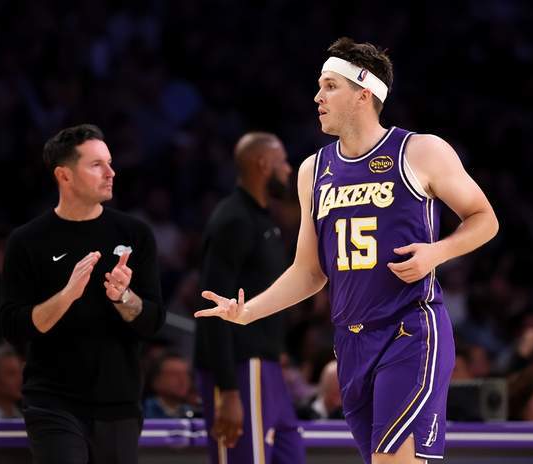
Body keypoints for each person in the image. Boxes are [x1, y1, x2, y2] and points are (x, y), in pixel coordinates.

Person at [196, 38, 499, 464]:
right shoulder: (313, 170)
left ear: (363, 93)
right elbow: (309, 271)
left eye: (330, 86)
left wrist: (437, 252)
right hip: (351, 343)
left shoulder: (420, 151)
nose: (317, 97)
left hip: (410, 329)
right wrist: (248, 312)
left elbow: (485, 218)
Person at [0, 124, 164, 464]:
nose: (111, 173)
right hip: (52, 400)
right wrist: (67, 295)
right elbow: (13, 327)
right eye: (96, 165)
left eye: (110, 163)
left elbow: (152, 322)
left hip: (119, 402)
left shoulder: (135, 233)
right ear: (64, 175)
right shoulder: (27, 240)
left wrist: (123, 297)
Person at [195, 132, 305, 463]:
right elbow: (212, 304)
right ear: (263, 163)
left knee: (292, 455)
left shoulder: (263, 219)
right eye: (282, 162)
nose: (288, 169)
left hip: (267, 365)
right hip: (241, 368)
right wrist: (228, 390)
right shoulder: (234, 220)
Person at [143, 351, 194, 419]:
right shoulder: (144, 412)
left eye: (186, 374)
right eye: (174, 374)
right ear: (156, 381)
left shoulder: (193, 413)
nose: (182, 380)